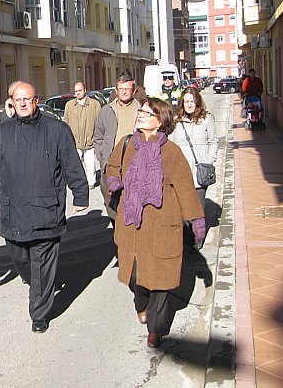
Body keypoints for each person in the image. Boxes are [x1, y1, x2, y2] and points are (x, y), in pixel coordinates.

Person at [0, 82, 89, 333]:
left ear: (36, 101)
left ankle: (39, 315)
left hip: (45, 209)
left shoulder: (56, 130)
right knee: (20, 257)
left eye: (27, 99)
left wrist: (80, 195)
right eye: (17, 99)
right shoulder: (1, 133)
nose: (22, 103)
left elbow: (71, 165)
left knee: (41, 263)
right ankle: (39, 286)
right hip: (13, 212)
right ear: (11, 102)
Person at [105, 98, 205, 349]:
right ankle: (141, 303)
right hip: (131, 223)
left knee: (160, 279)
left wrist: (196, 219)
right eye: (141, 111)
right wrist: (114, 181)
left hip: (162, 224)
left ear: (160, 122)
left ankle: (156, 330)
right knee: (135, 275)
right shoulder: (127, 143)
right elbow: (112, 166)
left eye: (147, 113)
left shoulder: (171, 152)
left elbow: (184, 187)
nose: (140, 115)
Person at [169, 88, 218, 249]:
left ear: (197, 102)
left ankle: (198, 237)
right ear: (182, 102)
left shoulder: (206, 119)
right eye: (186, 101)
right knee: (180, 206)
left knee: (197, 206)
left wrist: (209, 160)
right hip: (180, 171)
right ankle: (186, 236)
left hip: (199, 170)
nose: (189, 104)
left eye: (192, 101)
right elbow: (169, 143)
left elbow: (213, 141)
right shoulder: (176, 120)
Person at [93, 75, 141, 221]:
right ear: (116, 90)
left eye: (127, 89)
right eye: (121, 89)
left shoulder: (141, 110)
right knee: (111, 204)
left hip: (135, 165)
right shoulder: (107, 111)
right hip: (111, 165)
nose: (124, 92)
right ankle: (118, 233)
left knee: (134, 203)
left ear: (134, 91)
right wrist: (103, 159)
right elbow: (98, 136)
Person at [63, 81, 101, 188]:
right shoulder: (69, 106)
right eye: (76, 91)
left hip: (90, 140)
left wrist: (96, 137)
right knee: (74, 164)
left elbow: (99, 123)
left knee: (90, 164)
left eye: (80, 90)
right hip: (74, 141)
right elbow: (66, 123)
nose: (78, 93)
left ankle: (91, 182)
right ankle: (76, 182)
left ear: (85, 90)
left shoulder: (94, 104)